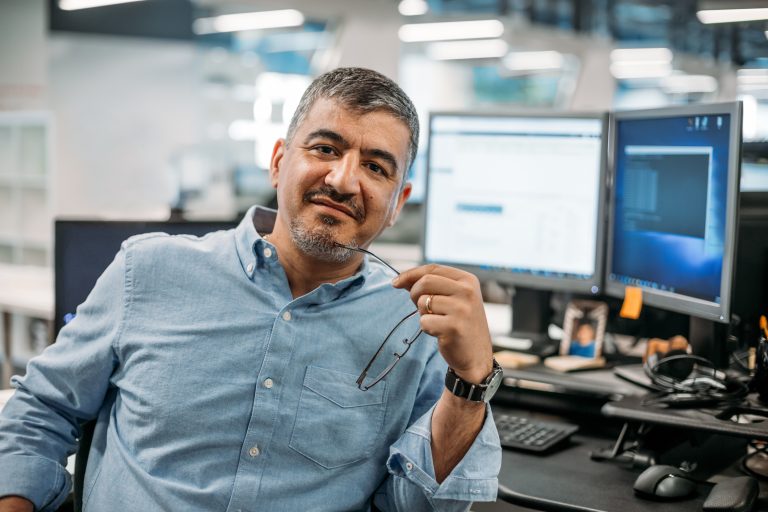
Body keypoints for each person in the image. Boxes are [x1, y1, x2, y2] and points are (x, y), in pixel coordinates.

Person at [0, 67, 501, 511]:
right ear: (280, 161)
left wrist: (471, 379)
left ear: (398, 202)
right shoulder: (147, 270)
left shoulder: (415, 326)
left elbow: (416, 507)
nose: (344, 180)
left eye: (375, 167)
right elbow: (40, 414)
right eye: (325, 148)